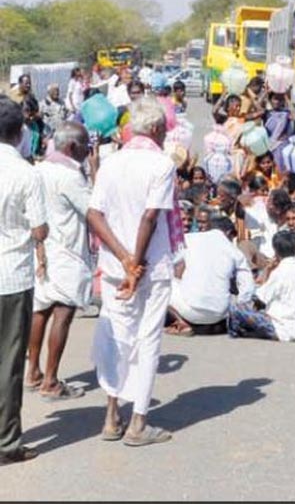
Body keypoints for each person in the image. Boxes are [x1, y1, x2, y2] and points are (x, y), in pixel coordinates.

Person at [86, 96, 180, 447]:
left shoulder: (110, 163)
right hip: (149, 267)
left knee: (117, 337)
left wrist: (124, 259)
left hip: (115, 265)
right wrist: (136, 264)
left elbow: (94, 215)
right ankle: (138, 423)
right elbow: (151, 217)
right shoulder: (161, 165)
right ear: (156, 129)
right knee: (147, 339)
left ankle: (111, 416)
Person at [26, 122, 94, 401]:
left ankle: (33, 372)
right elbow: (93, 210)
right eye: (86, 147)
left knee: (40, 311)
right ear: (72, 147)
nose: (88, 152)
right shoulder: (70, 177)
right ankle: (51, 380)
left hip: (42, 250)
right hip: (67, 252)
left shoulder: (39, 170)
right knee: (63, 314)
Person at [0, 96, 48, 464]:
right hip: (12, 278)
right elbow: (39, 229)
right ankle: (6, 442)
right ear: (20, 133)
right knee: (9, 363)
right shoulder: (26, 173)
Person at [167, 215, 254, 336]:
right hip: (221, 314)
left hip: (189, 312)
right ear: (228, 233)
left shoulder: (189, 239)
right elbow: (248, 286)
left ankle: (181, 323)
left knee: (165, 283)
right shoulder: (234, 251)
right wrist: (241, 309)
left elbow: (169, 262)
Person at [228, 230, 295, 342]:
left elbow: (259, 298)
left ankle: (236, 332)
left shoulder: (280, 271)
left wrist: (267, 270)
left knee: (236, 307)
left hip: (283, 329)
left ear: (275, 251)